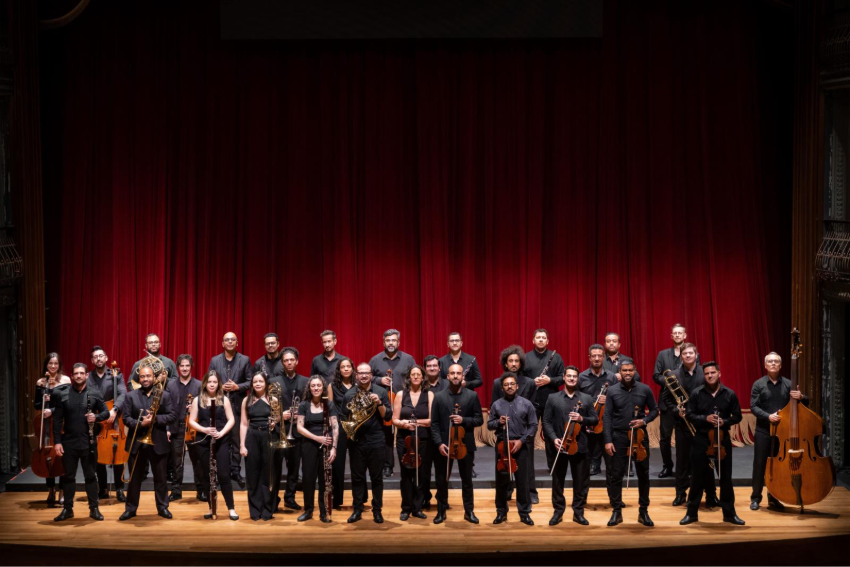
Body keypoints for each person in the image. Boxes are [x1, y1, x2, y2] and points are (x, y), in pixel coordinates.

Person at [680, 361, 745, 526]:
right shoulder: (696, 393)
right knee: (696, 479)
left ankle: (729, 514)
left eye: (713, 373)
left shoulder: (729, 394)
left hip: (722, 439)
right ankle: (692, 514)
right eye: (707, 373)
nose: (710, 376)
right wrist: (705, 419)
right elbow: (689, 415)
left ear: (719, 374)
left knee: (725, 479)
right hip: (701, 439)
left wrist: (724, 421)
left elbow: (737, 416)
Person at [51, 363, 110, 521]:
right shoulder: (63, 394)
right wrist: (57, 442)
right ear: (72, 376)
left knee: (90, 477)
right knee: (68, 477)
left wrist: (96, 417)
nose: (78, 376)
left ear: (86, 375)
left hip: (88, 443)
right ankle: (68, 509)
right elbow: (57, 421)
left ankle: (94, 509)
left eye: (81, 373)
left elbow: (106, 412)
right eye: (75, 373)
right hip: (69, 443)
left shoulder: (95, 393)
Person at [119, 360, 176, 521]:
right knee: (134, 480)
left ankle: (162, 507)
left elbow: (172, 416)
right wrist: (140, 423)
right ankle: (130, 509)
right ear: (139, 378)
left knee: (161, 478)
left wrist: (154, 419)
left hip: (158, 442)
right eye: (142, 376)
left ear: (154, 377)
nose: (145, 379)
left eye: (148, 376)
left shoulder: (164, 395)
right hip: (137, 443)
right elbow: (126, 418)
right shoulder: (131, 396)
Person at [604, 360, 657, 527]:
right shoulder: (612, 391)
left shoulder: (644, 389)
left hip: (640, 436)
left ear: (635, 371)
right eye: (624, 370)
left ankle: (643, 511)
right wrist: (608, 440)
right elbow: (607, 417)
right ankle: (616, 511)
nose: (627, 373)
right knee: (616, 474)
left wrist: (645, 420)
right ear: (619, 371)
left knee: (643, 474)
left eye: (630, 370)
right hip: (618, 437)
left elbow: (655, 410)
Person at [749, 352, 806, 511]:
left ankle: (774, 499)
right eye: (770, 361)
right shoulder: (758, 384)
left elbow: (802, 404)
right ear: (765, 365)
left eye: (776, 362)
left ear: (780, 366)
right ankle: (755, 498)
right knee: (760, 465)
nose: (773, 364)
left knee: (778, 466)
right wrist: (768, 416)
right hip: (763, 431)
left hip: (783, 433)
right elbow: (753, 406)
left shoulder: (789, 383)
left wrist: (801, 397)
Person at [544, 365, 598, 526]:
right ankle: (558, 511)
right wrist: (554, 439)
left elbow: (594, 420)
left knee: (580, 481)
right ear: (564, 377)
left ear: (578, 378)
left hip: (579, 445)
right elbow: (546, 421)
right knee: (558, 481)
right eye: (569, 376)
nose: (572, 378)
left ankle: (578, 512)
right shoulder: (553, 398)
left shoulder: (586, 398)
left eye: (575, 376)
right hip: (559, 446)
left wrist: (582, 419)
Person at [430, 363, 483, 524]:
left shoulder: (471, 396)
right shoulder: (439, 397)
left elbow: (479, 419)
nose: (455, 376)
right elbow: (435, 424)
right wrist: (439, 443)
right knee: (442, 480)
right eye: (452, 373)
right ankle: (441, 511)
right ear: (447, 376)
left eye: (458, 373)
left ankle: (469, 511)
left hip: (465, 445)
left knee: (467, 480)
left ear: (463, 376)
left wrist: (464, 420)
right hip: (444, 446)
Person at [343, 362, 393, 524]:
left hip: (376, 440)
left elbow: (387, 416)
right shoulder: (349, 395)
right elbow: (344, 418)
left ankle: (377, 510)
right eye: (360, 373)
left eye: (367, 373)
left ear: (371, 375)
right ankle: (357, 509)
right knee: (357, 478)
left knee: (376, 478)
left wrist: (379, 403)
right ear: (356, 375)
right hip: (357, 442)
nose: (364, 376)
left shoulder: (380, 392)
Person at [670, 343, 717, 507]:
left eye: (691, 353)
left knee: (707, 460)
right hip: (682, 425)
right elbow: (666, 400)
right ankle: (680, 494)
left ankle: (711, 495)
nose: (688, 355)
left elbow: (713, 394)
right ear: (681, 356)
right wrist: (677, 410)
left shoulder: (706, 372)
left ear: (696, 355)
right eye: (685, 353)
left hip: (703, 423)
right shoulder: (674, 375)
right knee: (682, 461)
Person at [189, 371, 239, 520]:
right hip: (203, 441)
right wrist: (204, 429)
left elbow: (231, 420)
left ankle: (231, 509)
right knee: (207, 476)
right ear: (205, 383)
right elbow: (191, 421)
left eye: (215, 382)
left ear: (219, 384)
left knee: (224, 475)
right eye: (209, 382)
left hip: (221, 440)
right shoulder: (198, 400)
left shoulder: (224, 399)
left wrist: (221, 432)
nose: (212, 384)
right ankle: (212, 508)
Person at [489, 373, 537, 525]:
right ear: (502, 388)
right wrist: (498, 422)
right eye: (506, 384)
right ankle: (501, 512)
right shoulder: (496, 404)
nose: (509, 386)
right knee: (502, 482)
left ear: (517, 386)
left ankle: (524, 513)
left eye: (512, 384)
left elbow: (533, 425)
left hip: (520, 446)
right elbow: (489, 424)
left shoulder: (527, 404)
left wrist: (522, 441)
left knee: (523, 482)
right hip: (503, 446)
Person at [523, 329, 565, 503]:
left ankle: (552, 466)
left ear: (548, 341)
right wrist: (532, 382)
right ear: (533, 340)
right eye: (538, 338)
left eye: (543, 338)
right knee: (529, 437)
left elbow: (563, 378)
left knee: (551, 436)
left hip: (551, 401)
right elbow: (520, 378)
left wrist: (550, 381)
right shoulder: (525, 357)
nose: (540, 340)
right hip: (531, 401)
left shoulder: (556, 357)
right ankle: (527, 469)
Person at [369, 328, 416, 479]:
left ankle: (407, 460)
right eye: (388, 340)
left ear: (398, 342)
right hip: (384, 404)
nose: (391, 343)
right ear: (383, 342)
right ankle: (387, 466)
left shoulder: (408, 359)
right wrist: (379, 380)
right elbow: (365, 377)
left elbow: (416, 376)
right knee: (387, 436)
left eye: (393, 340)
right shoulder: (375, 360)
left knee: (405, 433)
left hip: (405, 402)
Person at [209, 331, 253, 489]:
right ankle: (222, 471)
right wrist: (220, 387)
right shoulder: (215, 360)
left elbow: (251, 382)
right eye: (226, 340)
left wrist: (237, 387)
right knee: (221, 440)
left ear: (237, 342)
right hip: (219, 406)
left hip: (237, 405)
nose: (229, 342)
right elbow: (209, 381)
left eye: (232, 339)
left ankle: (235, 470)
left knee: (236, 440)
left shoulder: (245, 360)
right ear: (222, 343)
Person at [652, 323, 694, 478]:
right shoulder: (663, 355)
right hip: (667, 402)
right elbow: (656, 375)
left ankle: (686, 467)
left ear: (685, 335)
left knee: (687, 436)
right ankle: (667, 467)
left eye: (680, 333)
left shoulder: (691, 353)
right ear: (671, 336)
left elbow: (694, 373)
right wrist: (671, 382)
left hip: (687, 402)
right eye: (674, 333)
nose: (677, 335)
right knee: (665, 438)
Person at [392, 365, 433, 521]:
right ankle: (406, 508)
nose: (416, 377)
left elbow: (431, 420)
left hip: (423, 440)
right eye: (413, 374)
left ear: (423, 378)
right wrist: (404, 424)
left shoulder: (429, 395)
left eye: (418, 374)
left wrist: (412, 422)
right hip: (404, 439)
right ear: (409, 377)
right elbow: (395, 419)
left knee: (421, 474)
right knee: (406, 474)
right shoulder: (401, 395)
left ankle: (417, 507)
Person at [86, 346, 127, 502]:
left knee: (118, 454)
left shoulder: (116, 375)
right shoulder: (88, 377)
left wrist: (115, 410)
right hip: (97, 420)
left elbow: (123, 393)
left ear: (106, 358)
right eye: (95, 356)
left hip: (114, 419)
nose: (98, 358)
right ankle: (102, 488)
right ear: (92, 360)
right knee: (98, 455)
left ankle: (119, 489)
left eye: (101, 356)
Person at [296, 375, 339, 522]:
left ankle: (323, 512)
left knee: (324, 480)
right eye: (313, 386)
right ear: (309, 387)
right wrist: (317, 438)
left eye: (318, 386)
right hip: (309, 445)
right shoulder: (304, 405)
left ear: (323, 387)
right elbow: (299, 428)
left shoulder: (329, 405)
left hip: (326, 446)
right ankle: (308, 510)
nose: (316, 388)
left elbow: (335, 426)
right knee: (308, 479)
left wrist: (334, 447)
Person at [273, 347, 309, 511]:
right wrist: (282, 415)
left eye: (291, 360)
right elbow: (269, 406)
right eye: (286, 360)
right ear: (282, 362)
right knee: (275, 467)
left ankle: (290, 497)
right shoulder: (274, 381)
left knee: (294, 467)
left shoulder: (305, 381)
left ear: (297, 361)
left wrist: (299, 413)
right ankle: (273, 499)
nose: (289, 362)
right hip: (278, 430)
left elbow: (309, 404)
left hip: (297, 430)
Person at [34, 352, 71, 507]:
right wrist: (43, 402)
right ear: (46, 365)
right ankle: (51, 490)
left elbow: (68, 403)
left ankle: (62, 491)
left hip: (62, 422)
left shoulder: (66, 380)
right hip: (46, 423)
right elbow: (36, 404)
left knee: (62, 457)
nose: (53, 366)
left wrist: (53, 409)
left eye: (56, 363)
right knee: (47, 456)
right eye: (50, 364)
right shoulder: (41, 382)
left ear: (59, 364)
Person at [165, 354, 202, 502]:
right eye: (182, 366)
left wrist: (195, 406)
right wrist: (167, 427)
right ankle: (176, 491)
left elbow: (204, 407)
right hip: (176, 428)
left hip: (194, 429)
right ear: (178, 367)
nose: (185, 368)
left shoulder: (199, 385)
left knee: (197, 461)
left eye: (187, 365)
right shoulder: (170, 385)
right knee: (176, 462)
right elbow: (166, 408)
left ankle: (201, 490)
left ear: (191, 366)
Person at [578, 344, 617, 479]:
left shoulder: (612, 377)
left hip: (606, 419)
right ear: (589, 358)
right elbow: (577, 398)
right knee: (586, 452)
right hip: (587, 419)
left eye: (599, 356)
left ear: (603, 357)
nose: (596, 358)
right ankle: (591, 465)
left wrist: (608, 399)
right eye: (593, 356)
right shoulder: (581, 377)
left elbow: (618, 397)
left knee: (609, 454)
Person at [239, 372, 274, 521]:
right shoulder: (246, 400)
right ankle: (255, 510)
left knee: (267, 475)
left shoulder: (273, 399)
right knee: (252, 475)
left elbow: (276, 420)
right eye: (255, 381)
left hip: (267, 436)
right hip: (252, 436)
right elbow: (243, 423)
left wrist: (274, 423)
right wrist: (242, 445)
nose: (258, 384)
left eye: (260, 381)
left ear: (266, 383)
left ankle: (267, 510)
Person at [328, 357, 356, 509]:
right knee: (337, 464)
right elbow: (331, 409)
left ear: (352, 368)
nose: (345, 369)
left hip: (356, 427)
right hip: (339, 427)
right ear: (339, 370)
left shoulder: (358, 385)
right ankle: (337, 499)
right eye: (342, 367)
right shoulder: (332, 386)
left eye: (348, 366)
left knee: (357, 463)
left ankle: (359, 498)